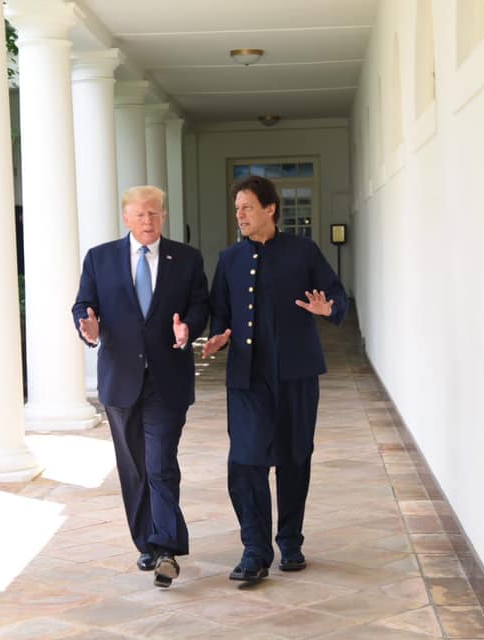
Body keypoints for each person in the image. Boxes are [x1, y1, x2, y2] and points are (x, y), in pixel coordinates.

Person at [203, 175, 348, 584]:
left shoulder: (303, 252)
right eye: (237, 210)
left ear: (270, 209)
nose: (240, 216)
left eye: (247, 207)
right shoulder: (229, 259)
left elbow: (339, 297)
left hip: (296, 374)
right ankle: (255, 549)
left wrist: (327, 309)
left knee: (294, 457)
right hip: (247, 378)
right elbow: (221, 311)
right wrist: (218, 336)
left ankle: (291, 541)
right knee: (246, 460)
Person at [72, 185, 209, 588]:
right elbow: (84, 304)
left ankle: (167, 547)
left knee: (160, 463)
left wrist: (190, 329)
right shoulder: (100, 258)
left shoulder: (186, 258)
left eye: (154, 213)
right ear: (126, 218)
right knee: (133, 469)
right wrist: (89, 327)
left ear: (164, 215)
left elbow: (201, 305)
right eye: (140, 215)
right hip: (120, 379)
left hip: (167, 379)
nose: (148, 221)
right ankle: (147, 545)